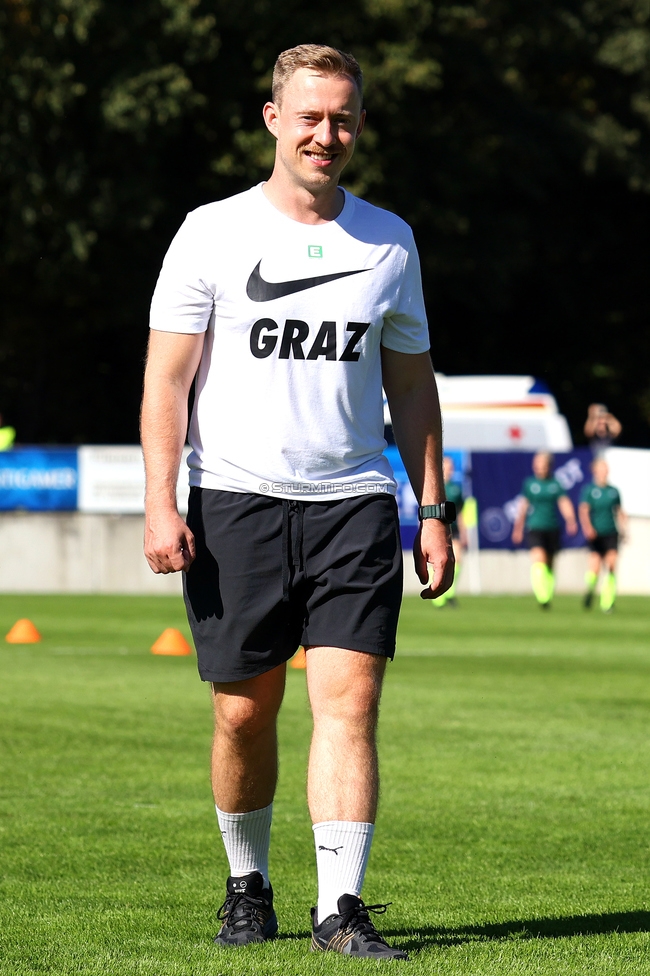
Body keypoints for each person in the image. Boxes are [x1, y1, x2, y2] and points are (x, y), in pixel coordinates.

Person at [141, 44, 454, 961]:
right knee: (243, 713)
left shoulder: (391, 239)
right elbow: (167, 381)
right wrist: (162, 503)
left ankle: (340, 909)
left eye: (345, 117)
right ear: (274, 119)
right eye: (311, 116)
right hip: (235, 500)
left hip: (354, 502)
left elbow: (415, 387)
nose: (329, 134)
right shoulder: (210, 231)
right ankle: (248, 885)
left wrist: (429, 511)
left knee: (349, 704)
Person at [511, 452, 578, 608]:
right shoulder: (529, 483)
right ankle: (542, 596)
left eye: (542, 464)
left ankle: (547, 593)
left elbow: (564, 502)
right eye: (537, 464)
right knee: (538, 560)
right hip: (535, 527)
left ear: (549, 466)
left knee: (550, 564)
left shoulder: (555, 484)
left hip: (552, 527)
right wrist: (518, 528)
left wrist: (571, 520)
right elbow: (523, 506)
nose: (539, 468)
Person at [579, 458, 627, 613]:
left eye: (605, 469)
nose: (604, 472)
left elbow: (619, 511)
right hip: (596, 533)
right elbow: (584, 510)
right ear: (595, 471)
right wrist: (588, 528)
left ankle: (607, 602)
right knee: (595, 568)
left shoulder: (614, 491)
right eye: (601, 469)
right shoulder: (590, 490)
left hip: (611, 532)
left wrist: (624, 529)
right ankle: (590, 590)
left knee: (612, 565)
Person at [431, 455, 466, 607]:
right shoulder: (433, 489)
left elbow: (461, 512)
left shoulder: (456, 489)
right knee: (438, 561)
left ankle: (449, 592)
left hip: (454, 529)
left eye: (451, 468)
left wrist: (464, 532)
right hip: (438, 530)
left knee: (458, 559)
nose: (449, 471)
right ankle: (437, 596)